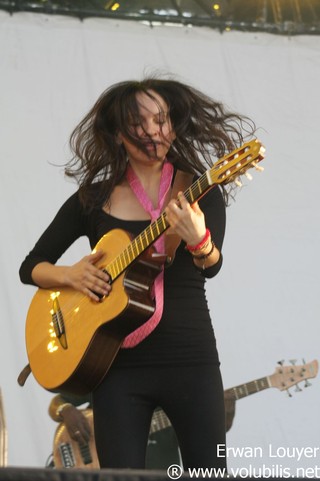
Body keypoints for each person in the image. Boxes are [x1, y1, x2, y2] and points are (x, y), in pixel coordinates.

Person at [19, 76, 255, 470]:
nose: (152, 132)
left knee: (209, 473)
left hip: (190, 359)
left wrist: (200, 241)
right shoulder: (93, 199)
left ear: (174, 125)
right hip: (116, 366)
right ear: (116, 134)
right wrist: (72, 275)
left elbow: (211, 267)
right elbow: (32, 267)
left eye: (161, 120)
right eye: (138, 124)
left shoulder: (200, 190)